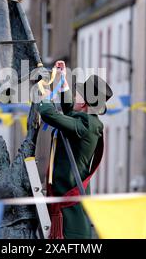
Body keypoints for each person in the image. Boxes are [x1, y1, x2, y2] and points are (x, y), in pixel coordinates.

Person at [38, 60, 113, 239]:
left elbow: (49, 114)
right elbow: (70, 111)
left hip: (69, 197)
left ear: (86, 103)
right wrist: (62, 80)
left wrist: (45, 99)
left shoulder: (86, 125)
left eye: (79, 95)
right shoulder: (86, 120)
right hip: (65, 193)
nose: (76, 97)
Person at [0, 103, 41, 239]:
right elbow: (31, 132)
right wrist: (37, 98)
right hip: (22, 235)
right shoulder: (16, 172)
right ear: (5, 153)